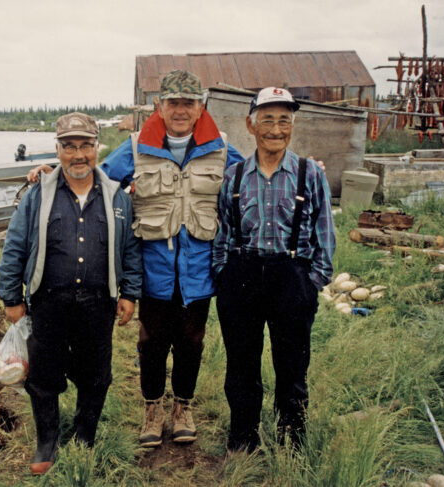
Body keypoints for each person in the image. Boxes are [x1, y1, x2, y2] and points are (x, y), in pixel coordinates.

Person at [28, 70, 245, 446]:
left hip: (200, 270)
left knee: (192, 342)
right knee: (152, 343)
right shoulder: (135, 146)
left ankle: (182, 408)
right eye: (172, 103)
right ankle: (152, 409)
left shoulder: (222, 147)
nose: (180, 110)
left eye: (188, 103)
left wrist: (308, 168)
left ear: (200, 107)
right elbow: (95, 176)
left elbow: (254, 176)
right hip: (153, 268)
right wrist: (52, 170)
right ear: (159, 107)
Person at [0, 112, 142, 475]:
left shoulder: (116, 197)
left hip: (99, 304)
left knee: (96, 376)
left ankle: (84, 436)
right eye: (70, 147)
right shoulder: (37, 194)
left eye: (86, 146)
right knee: (44, 377)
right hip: (47, 303)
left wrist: (130, 293)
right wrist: (11, 297)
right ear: (58, 150)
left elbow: (130, 250)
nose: (79, 155)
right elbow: (14, 245)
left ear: (97, 148)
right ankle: (47, 441)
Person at [212, 87, 336, 453]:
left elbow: (324, 230)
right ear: (251, 125)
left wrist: (314, 281)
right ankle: (243, 438)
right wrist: (223, 273)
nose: (276, 129)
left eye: (284, 120)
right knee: (241, 366)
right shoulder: (234, 177)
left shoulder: (309, 173)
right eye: (267, 119)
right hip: (242, 277)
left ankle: (292, 440)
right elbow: (223, 232)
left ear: (293, 126)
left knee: (292, 367)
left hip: (292, 279)